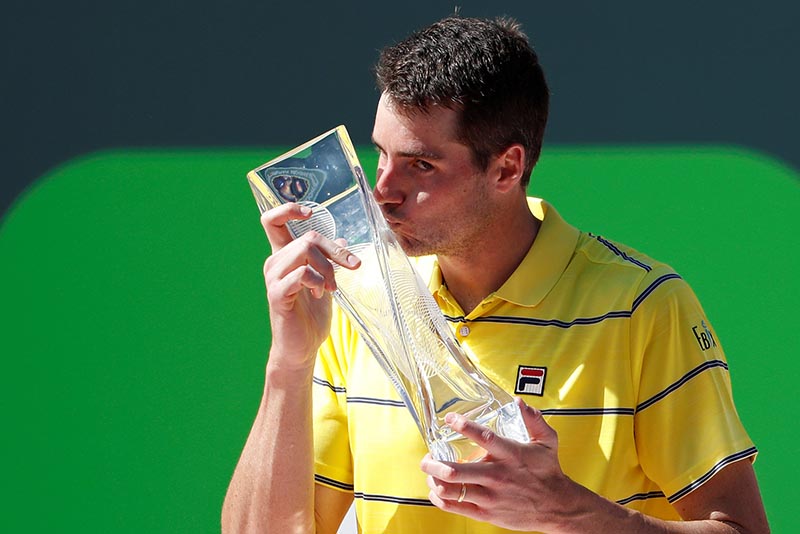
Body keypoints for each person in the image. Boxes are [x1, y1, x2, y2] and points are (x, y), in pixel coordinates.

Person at [222, 16, 770, 534]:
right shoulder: (355, 298)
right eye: (380, 155)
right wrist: (287, 362)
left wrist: (567, 512)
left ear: (506, 168)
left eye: (421, 165)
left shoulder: (642, 304)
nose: (382, 191)